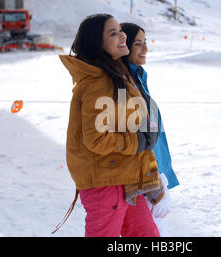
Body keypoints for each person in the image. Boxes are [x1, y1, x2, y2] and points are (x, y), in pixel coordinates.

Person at [53, 14, 165, 237]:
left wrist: (145, 136)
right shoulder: (98, 82)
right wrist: (137, 141)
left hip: (125, 178)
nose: (122, 35)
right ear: (98, 43)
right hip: (106, 183)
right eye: (113, 33)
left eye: (120, 30)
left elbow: (125, 119)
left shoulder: (115, 75)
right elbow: (97, 138)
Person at [120, 22, 180, 237]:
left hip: (156, 172)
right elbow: (130, 139)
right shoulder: (124, 85)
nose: (145, 48)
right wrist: (153, 182)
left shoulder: (138, 79)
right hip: (146, 179)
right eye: (138, 44)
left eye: (145, 42)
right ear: (122, 45)